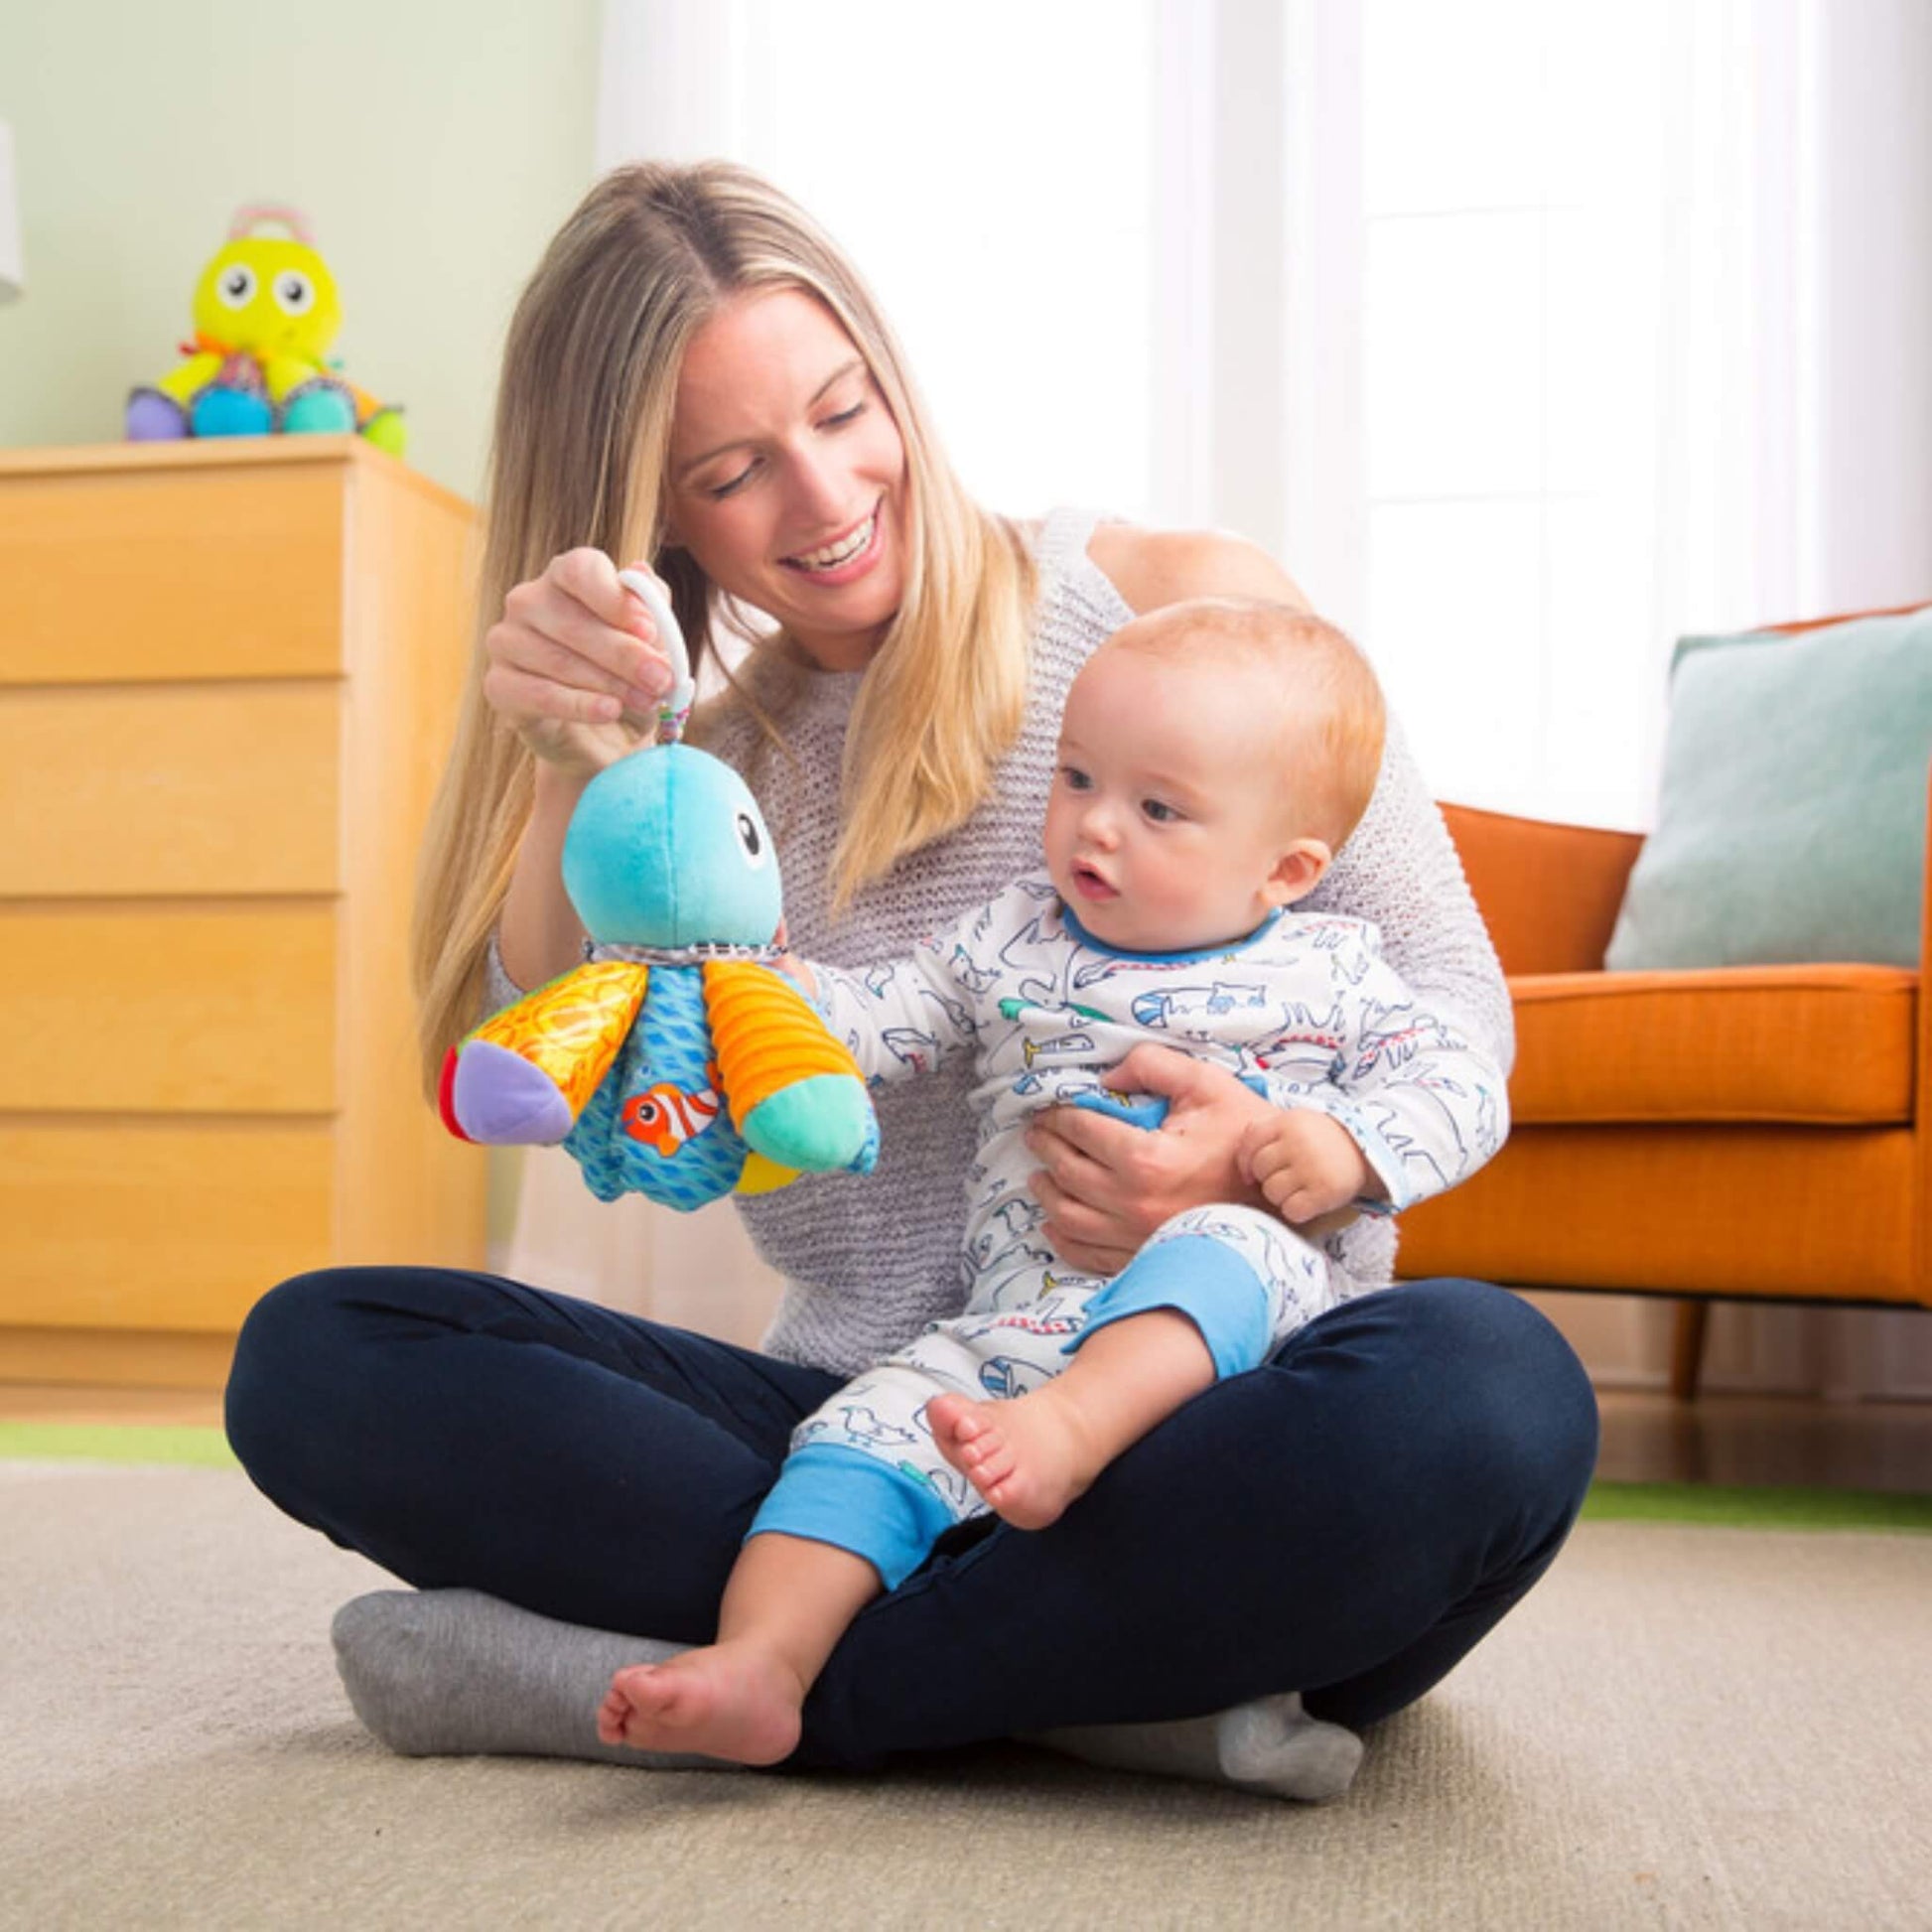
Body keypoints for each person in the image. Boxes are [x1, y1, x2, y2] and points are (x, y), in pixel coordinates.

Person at [223, 160, 1598, 1802]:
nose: (821, 498)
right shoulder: (702, 804)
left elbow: (1451, 1004)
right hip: (876, 1412)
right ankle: (1114, 1695)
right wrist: (556, 765)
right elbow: (591, 1064)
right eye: (734, 472)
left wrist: (1247, 1164)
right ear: (650, 512)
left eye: (842, 410)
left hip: (1228, 1405)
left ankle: (742, 1674)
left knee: (1490, 1398)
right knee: (319, 1353)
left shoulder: (1175, 615)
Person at [596, 598, 1510, 1768]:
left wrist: (1344, 1147)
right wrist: (757, 995)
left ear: (1284, 868)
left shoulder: (1329, 966)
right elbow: (889, 1011)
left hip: (1240, 1363)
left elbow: (1460, 1076)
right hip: (1019, 1335)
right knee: (858, 1429)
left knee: (1233, 1246)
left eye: (1157, 807)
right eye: (1076, 777)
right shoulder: (1015, 933)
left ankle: (1070, 1458)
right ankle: (763, 1665)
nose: (1095, 826)